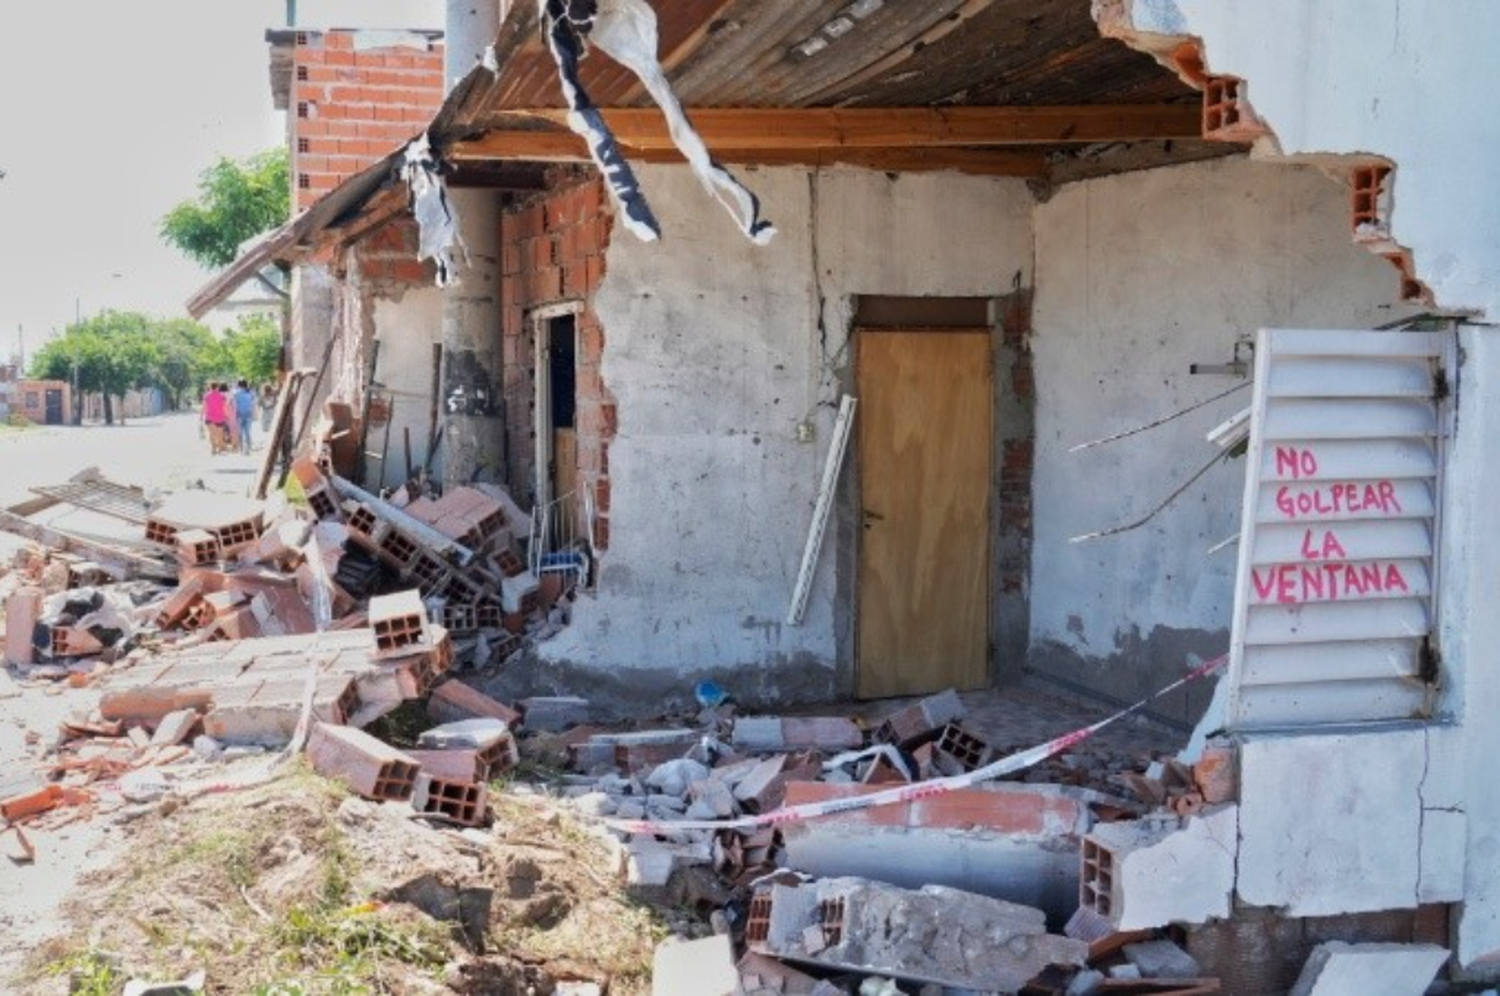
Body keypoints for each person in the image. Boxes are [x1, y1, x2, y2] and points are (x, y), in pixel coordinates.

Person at [201, 382, 228, 454]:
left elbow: (204, 407)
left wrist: (201, 416)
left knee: (211, 434)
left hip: (209, 417)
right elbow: (225, 407)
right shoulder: (222, 396)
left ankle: (213, 449)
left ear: (210, 387)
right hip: (220, 417)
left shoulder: (206, 396)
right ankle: (219, 449)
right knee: (220, 434)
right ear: (217, 387)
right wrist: (226, 415)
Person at [233, 379, 256, 453]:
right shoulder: (251, 393)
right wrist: (254, 414)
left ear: (239, 385)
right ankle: (248, 447)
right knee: (248, 432)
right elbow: (253, 405)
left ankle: (241, 448)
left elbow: (235, 405)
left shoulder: (236, 393)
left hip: (239, 414)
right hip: (248, 414)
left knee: (240, 432)